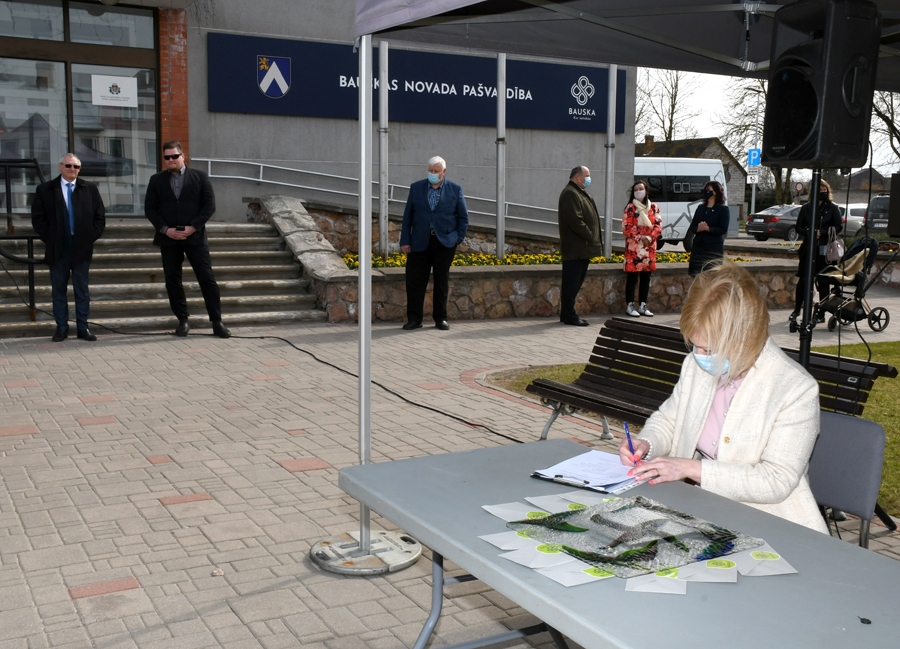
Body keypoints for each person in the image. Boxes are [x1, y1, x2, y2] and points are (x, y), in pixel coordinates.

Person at [618, 263, 828, 533]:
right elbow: (669, 421)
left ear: (745, 337)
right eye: (694, 345)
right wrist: (646, 444)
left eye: (709, 349)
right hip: (700, 511)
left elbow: (776, 481)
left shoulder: (795, 388)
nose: (698, 356)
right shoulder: (697, 365)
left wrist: (692, 469)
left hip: (770, 524)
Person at [144, 141, 230, 338]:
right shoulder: (156, 180)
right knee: (172, 280)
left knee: (207, 278)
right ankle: (182, 320)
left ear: (183, 156)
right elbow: (150, 209)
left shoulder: (200, 177)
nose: (171, 160)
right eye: (167, 157)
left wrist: (193, 227)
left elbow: (209, 206)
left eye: (174, 156)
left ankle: (217, 321)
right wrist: (165, 230)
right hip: (169, 239)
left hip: (195, 238)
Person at [31, 153, 106, 342]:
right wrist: (51, 238)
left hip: (81, 247)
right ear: (60, 166)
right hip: (58, 248)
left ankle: (83, 327)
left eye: (76, 167)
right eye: (68, 166)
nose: (72, 169)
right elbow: (38, 219)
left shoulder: (89, 189)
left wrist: (90, 236)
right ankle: (62, 328)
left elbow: (99, 217)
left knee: (82, 290)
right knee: (58, 290)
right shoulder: (46, 189)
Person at [399, 156, 469, 331]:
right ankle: (414, 319)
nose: (432, 173)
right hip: (419, 242)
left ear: (443, 171)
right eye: (430, 170)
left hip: (444, 242)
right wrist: (405, 240)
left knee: (441, 281)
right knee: (415, 281)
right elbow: (408, 217)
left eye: (436, 171)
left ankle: (440, 319)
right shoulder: (416, 188)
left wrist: (457, 238)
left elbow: (463, 217)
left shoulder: (455, 189)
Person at [790, 179, 843, 324]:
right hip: (808, 248)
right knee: (803, 280)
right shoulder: (806, 208)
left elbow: (839, 226)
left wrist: (823, 232)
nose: (822, 192)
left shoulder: (832, 208)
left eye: (824, 190)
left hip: (825, 250)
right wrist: (810, 232)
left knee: (823, 281)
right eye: (819, 190)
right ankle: (797, 310)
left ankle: (821, 313)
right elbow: (798, 227)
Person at [558, 165, 603, 326]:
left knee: (574, 283)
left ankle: (567, 314)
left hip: (581, 249)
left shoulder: (578, 192)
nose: (589, 178)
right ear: (578, 177)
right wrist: (590, 235)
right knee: (571, 284)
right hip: (576, 249)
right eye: (587, 175)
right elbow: (575, 220)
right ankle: (569, 315)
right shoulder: (571, 193)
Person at [622, 180, 662, 317]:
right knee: (632, 277)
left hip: (649, 247)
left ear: (646, 191)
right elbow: (626, 227)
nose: (638, 191)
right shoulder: (630, 208)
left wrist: (650, 237)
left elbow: (658, 225)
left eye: (641, 189)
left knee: (646, 277)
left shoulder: (654, 207)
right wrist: (640, 237)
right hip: (634, 248)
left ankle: (643, 305)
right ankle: (630, 305)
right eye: (636, 189)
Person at [687, 180, 729, 277]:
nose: (707, 192)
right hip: (698, 247)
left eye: (709, 190)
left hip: (713, 248)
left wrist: (708, 228)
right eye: (706, 189)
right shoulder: (700, 208)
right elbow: (693, 226)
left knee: (711, 275)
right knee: (696, 275)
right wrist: (699, 229)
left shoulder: (723, 209)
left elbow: (723, 229)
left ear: (716, 192)